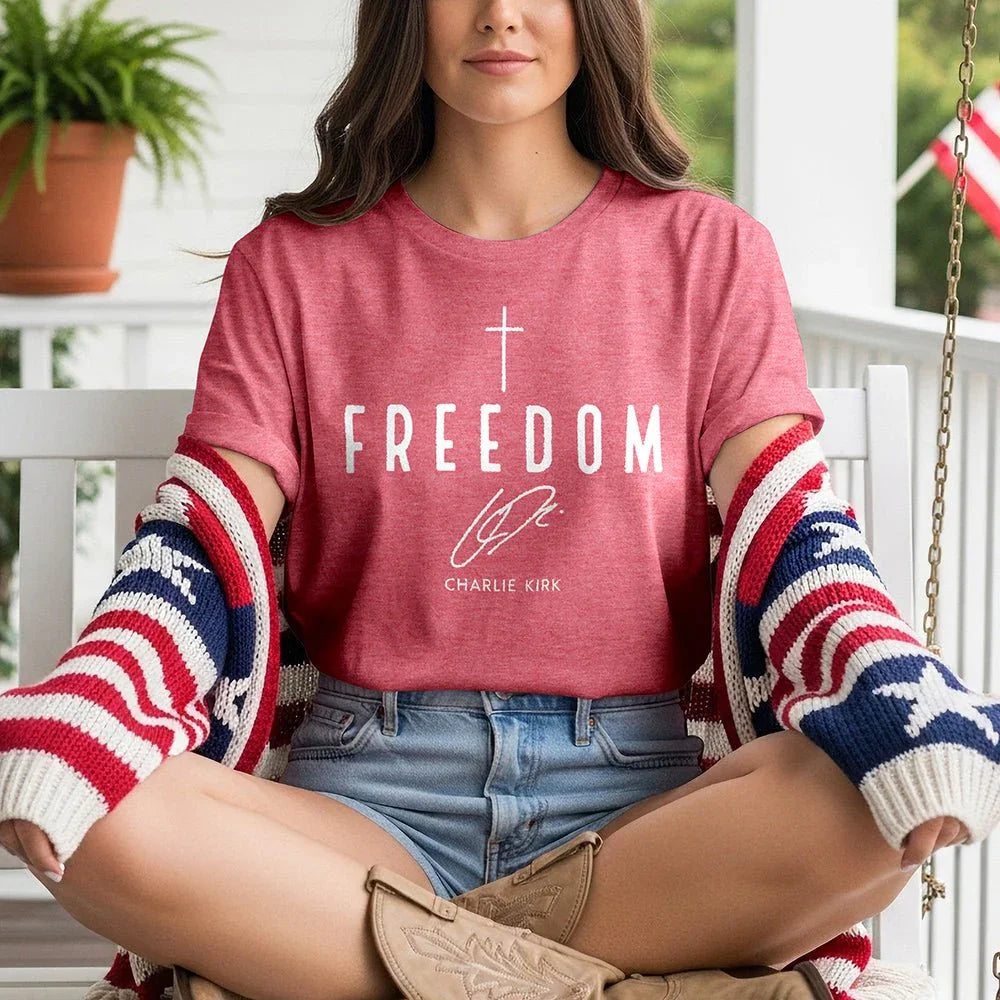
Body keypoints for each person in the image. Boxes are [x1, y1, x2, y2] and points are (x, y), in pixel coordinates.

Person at [0, 2, 981, 999]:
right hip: (361, 809)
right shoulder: (292, 264)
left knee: (867, 800)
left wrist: (895, 686)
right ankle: (615, 983)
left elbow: (795, 532)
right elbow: (198, 543)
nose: (500, 16)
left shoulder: (709, 252)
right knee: (103, 820)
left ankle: (376, 969)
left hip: (636, 813)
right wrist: (85, 706)